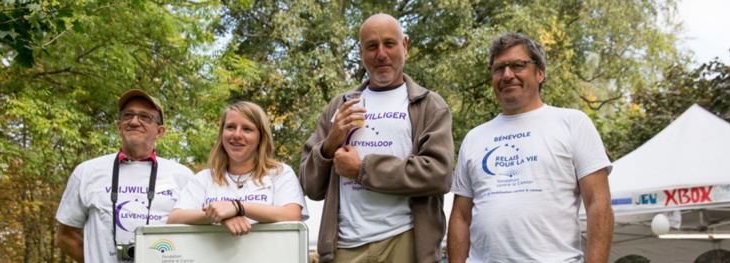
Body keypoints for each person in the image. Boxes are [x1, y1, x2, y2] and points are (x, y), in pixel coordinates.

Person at [300, 13, 455, 263]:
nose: (381, 54)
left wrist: (363, 168)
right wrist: (330, 143)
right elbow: (310, 186)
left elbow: (439, 174)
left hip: (405, 242)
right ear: (361, 52)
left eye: (389, 44)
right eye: (372, 46)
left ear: (404, 45)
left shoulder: (428, 105)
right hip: (345, 247)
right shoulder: (339, 106)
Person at [447, 32, 614, 263]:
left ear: (540, 73)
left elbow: (599, 203)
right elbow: (461, 217)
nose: (507, 75)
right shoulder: (474, 138)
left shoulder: (573, 123)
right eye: (498, 69)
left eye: (518, 65)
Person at [55, 89, 194, 262]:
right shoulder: (87, 172)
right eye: (128, 115)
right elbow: (65, 237)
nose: (134, 122)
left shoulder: (182, 176)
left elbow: (195, 237)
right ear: (119, 127)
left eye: (145, 117)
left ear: (159, 131)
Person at [168, 101, 309, 235]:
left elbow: (292, 215)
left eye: (247, 129)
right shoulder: (204, 178)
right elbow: (174, 219)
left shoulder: (279, 173)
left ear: (261, 137)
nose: (236, 135)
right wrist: (220, 216)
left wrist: (237, 207)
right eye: (230, 127)